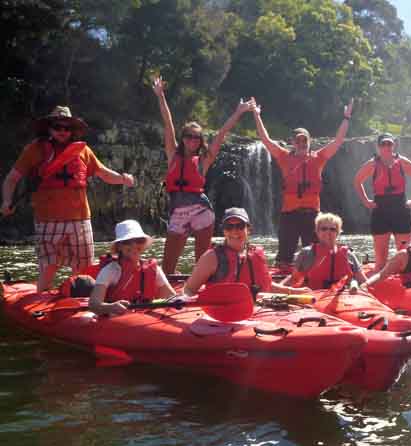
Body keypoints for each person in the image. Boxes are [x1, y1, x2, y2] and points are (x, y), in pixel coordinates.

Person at [1, 106, 135, 292]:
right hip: (48, 220)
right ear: (49, 128)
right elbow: (12, 178)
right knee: (49, 267)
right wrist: (7, 201)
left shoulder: (82, 150)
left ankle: (77, 306)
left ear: (72, 130)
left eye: (67, 128)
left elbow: (103, 173)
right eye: (57, 127)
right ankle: (41, 304)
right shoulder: (35, 149)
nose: (62, 131)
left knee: (84, 270)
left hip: (80, 220)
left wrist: (122, 179)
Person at [152, 76, 255, 274]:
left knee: (202, 261)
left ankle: (203, 286)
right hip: (178, 210)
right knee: (168, 266)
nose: (192, 140)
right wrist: (160, 96)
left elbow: (222, 133)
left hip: (201, 210)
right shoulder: (173, 155)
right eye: (188, 136)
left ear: (200, 141)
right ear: (182, 139)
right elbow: (168, 123)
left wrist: (239, 112)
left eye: (196, 137)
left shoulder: (205, 159)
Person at [252, 99, 354, 269]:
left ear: (309, 141)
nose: (301, 143)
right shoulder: (284, 157)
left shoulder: (319, 158)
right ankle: (284, 281)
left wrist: (346, 118)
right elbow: (265, 138)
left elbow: (337, 141)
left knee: (315, 254)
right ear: (293, 142)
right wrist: (256, 115)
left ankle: (315, 282)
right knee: (284, 257)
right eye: (298, 140)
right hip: (289, 214)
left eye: (304, 140)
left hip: (312, 215)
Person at [183, 208, 308, 299]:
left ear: (248, 229)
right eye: (229, 227)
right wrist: (190, 300)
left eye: (240, 226)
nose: (234, 231)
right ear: (224, 231)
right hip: (222, 315)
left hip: (257, 312)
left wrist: (293, 291)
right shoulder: (211, 257)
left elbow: (267, 285)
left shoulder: (257, 255)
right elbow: (189, 289)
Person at [353, 133, 411, 271]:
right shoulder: (373, 164)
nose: (386, 147)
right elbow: (357, 181)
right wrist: (366, 201)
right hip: (380, 209)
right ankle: (379, 284)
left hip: (400, 209)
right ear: (378, 146)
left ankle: (407, 283)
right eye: (383, 144)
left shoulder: (402, 162)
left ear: (394, 145)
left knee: (405, 253)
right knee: (381, 259)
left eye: (389, 144)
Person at [89, 220, 175, 316]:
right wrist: (111, 307)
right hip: (116, 322)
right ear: (119, 246)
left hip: (145, 320)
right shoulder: (110, 270)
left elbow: (172, 296)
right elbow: (93, 305)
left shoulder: (154, 269)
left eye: (139, 240)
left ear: (144, 244)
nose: (134, 245)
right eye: (127, 242)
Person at [283, 213, 368, 290]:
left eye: (332, 229)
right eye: (324, 229)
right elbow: (293, 279)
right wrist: (279, 289)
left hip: (342, 298)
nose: (328, 232)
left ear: (338, 233)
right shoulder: (306, 253)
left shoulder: (348, 254)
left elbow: (363, 281)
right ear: (317, 231)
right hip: (314, 297)